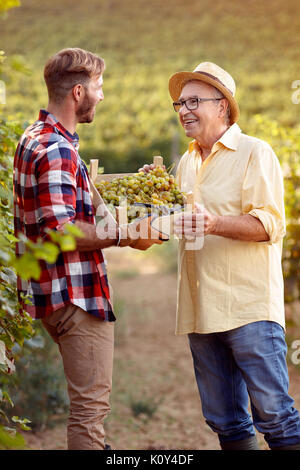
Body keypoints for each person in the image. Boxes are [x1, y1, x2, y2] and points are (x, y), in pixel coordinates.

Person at [13, 47, 164, 450]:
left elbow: (76, 205)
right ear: (78, 92)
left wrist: (136, 196)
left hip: (50, 291)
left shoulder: (36, 138)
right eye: (99, 86)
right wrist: (127, 235)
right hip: (74, 295)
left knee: (86, 408)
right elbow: (62, 230)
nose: (103, 95)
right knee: (89, 412)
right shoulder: (58, 149)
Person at [168, 62, 300, 450]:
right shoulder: (186, 163)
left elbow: (270, 226)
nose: (184, 110)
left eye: (194, 101)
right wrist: (152, 192)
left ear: (223, 105)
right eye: (179, 102)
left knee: (276, 417)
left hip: (248, 307)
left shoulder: (254, 152)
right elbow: (173, 221)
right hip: (200, 309)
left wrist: (214, 223)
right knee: (225, 421)